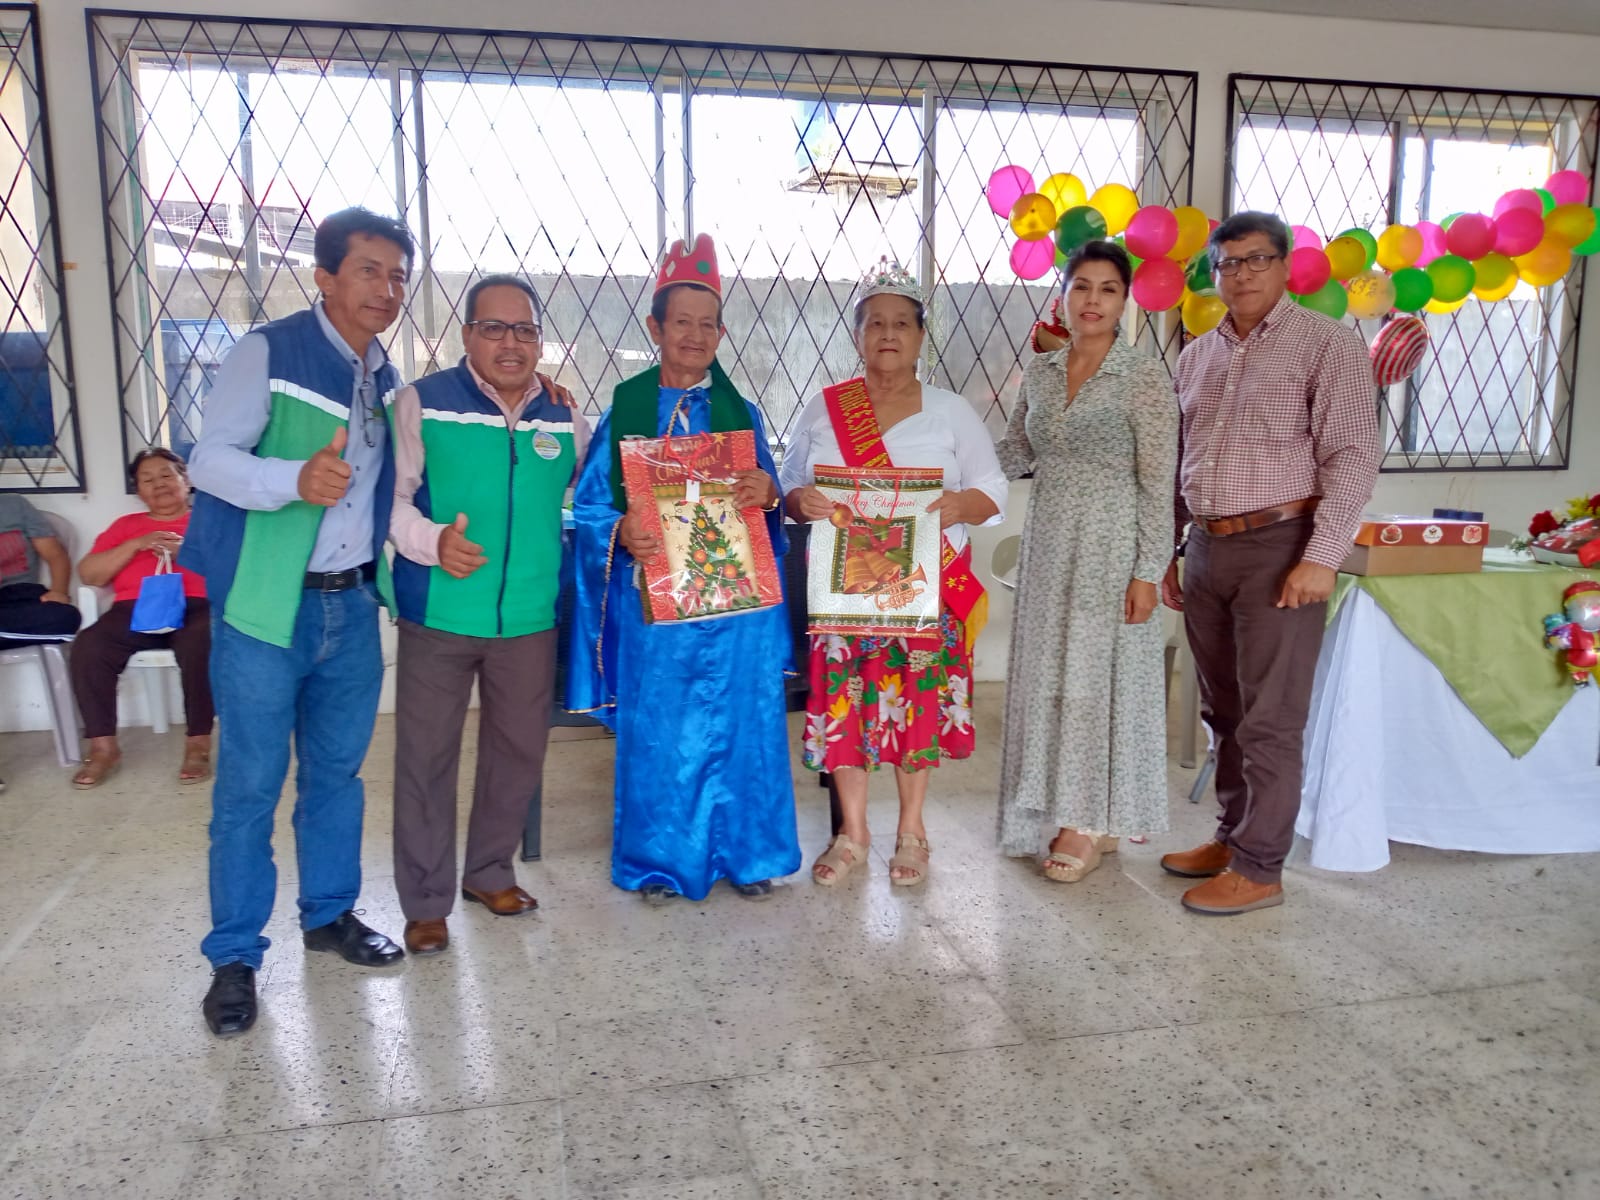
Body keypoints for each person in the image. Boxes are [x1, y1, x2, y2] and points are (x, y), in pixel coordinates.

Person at [181, 206, 414, 1037]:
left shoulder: (385, 377)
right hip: (264, 607)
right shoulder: (269, 350)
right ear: (324, 277)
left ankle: (329, 915)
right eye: (368, 271)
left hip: (351, 605)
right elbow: (207, 460)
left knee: (336, 778)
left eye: (397, 276)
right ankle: (234, 956)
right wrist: (291, 480)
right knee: (248, 787)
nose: (386, 289)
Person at [568, 233, 800, 903]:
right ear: (656, 328)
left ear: (721, 333)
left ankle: (750, 856)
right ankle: (660, 863)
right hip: (657, 608)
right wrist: (620, 529)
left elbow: (770, 502)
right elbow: (589, 509)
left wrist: (768, 492)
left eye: (708, 324)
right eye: (682, 323)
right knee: (664, 733)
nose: (695, 336)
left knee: (744, 727)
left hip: (737, 612)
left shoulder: (742, 415)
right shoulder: (625, 413)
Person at [1160, 210, 1378, 915]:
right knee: (1222, 709)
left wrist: (1323, 556)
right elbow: (1178, 463)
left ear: (1285, 266)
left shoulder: (1327, 344)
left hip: (1282, 550)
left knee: (1270, 718)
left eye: (1257, 260)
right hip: (1206, 549)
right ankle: (1231, 836)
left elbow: (1352, 457)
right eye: (1228, 263)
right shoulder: (1197, 355)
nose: (1242, 274)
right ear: (1214, 274)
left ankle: (1261, 868)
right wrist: (1168, 549)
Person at [781, 259, 1007, 887]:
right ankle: (852, 832)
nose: (888, 333)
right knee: (845, 705)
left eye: (901, 323)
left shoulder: (951, 411)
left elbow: (992, 490)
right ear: (858, 335)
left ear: (920, 336)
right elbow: (789, 484)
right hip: (844, 592)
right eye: (875, 323)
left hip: (924, 592)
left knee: (915, 705)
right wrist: (801, 500)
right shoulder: (825, 409)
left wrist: (959, 505)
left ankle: (912, 830)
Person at [388, 274, 588, 955]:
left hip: (529, 617)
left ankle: (490, 872)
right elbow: (391, 502)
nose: (510, 342)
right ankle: (425, 902)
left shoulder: (563, 415)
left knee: (518, 751)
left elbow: (591, 496)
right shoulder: (423, 402)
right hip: (439, 613)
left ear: (540, 340)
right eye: (494, 328)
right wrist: (432, 542)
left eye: (524, 329)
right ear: (467, 334)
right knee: (426, 758)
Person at [995, 240, 1178, 881]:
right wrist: (942, 462)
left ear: (1126, 301)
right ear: (1063, 295)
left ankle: (1087, 821)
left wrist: (1148, 571)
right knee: (1052, 679)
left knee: (1098, 684)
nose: (1092, 300)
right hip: (1050, 546)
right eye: (1081, 286)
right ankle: (1069, 809)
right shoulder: (1042, 371)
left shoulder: (1144, 378)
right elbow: (1016, 452)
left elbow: (1158, 482)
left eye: (1107, 289)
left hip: (1112, 548)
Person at [69, 448, 213, 788]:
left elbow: (238, 568)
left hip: (197, 607)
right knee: (89, 646)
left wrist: (186, 551)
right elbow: (89, 574)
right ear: (138, 491)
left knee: (201, 643)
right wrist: (137, 544)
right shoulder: (126, 526)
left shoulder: (208, 520)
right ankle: (103, 748)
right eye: (147, 479)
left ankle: (198, 743)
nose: (158, 484)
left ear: (186, 480)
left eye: (166, 475)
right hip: (135, 609)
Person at [0, 493, 80, 648]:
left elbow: (55, 555)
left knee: (67, 617)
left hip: (24, 595)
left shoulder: (14, 505)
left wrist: (59, 592)